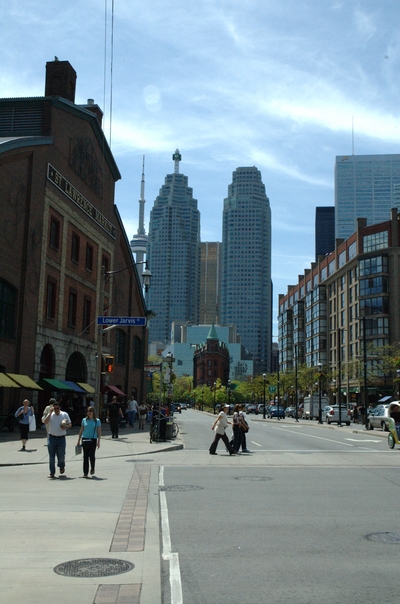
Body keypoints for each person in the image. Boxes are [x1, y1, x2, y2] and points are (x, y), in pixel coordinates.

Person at [42, 401, 72, 478]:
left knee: (61, 455)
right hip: (52, 437)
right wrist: (50, 413)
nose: (56, 409)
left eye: (57, 408)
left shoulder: (64, 414)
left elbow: (70, 424)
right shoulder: (51, 415)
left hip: (61, 438)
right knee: (51, 456)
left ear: (60, 408)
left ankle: (61, 466)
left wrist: (66, 427)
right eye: (54, 408)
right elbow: (45, 422)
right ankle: (52, 472)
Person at [77, 406, 101, 478]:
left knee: (92, 455)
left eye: (90, 411)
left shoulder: (97, 421)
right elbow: (81, 430)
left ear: (93, 412)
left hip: (93, 439)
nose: (89, 412)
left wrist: (98, 441)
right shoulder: (84, 420)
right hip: (85, 439)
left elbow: (99, 431)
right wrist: (78, 440)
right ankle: (85, 473)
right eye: (88, 411)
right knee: (85, 456)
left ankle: (92, 468)